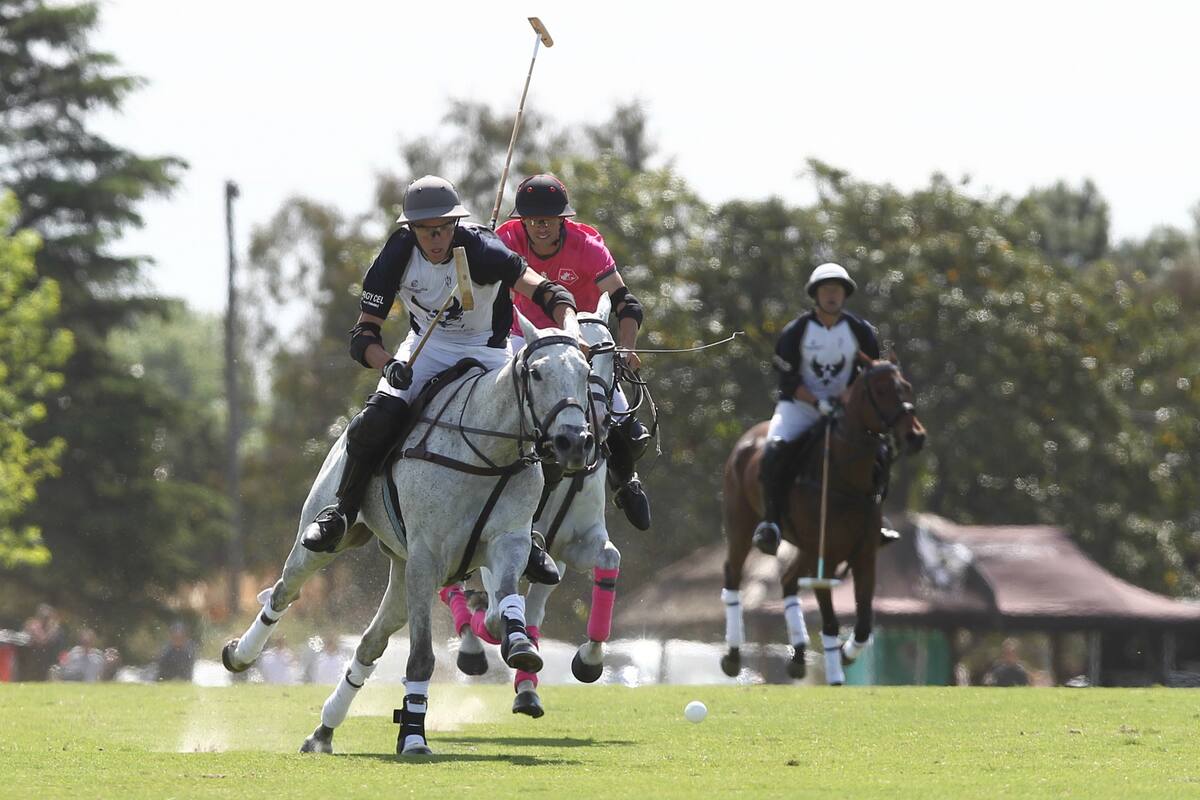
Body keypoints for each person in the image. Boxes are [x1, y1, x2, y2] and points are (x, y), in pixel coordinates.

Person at [299, 175, 580, 586]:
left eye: (445, 229)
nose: (436, 239)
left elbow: (549, 293)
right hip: (427, 349)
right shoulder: (397, 253)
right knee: (376, 419)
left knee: (541, 427)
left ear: (456, 224)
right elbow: (363, 335)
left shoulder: (483, 250)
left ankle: (527, 532)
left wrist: (569, 328)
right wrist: (388, 365)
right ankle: (342, 510)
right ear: (411, 228)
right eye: (426, 230)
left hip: (488, 350)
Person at [496, 173, 653, 530]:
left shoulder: (587, 247)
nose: (540, 227)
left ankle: (624, 480)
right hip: (523, 337)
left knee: (629, 431)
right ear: (522, 221)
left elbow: (626, 303)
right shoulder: (505, 241)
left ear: (562, 219)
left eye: (548, 220)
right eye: (533, 220)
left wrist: (627, 347)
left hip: (579, 340)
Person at [752, 263, 882, 554]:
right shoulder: (796, 331)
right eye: (826, 290)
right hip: (800, 407)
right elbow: (787, 380)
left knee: (879, 451)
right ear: (816, 295)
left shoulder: (861, 331)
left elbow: (870, 373)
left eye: (837, 290)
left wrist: (846, 396)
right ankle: (771, 522)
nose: (832, 295)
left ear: (845, 294)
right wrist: (817, 402)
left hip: (845, 409)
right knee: (773, 451)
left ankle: (875, 518)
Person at [19, 603, 66, 681]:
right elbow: (41, 640)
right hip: (31, 658)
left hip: (47, 660)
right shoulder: (32, 626)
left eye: (47, 617)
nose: (45, 620)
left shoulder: (54, 628)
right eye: (43, 617)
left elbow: (51, 641)